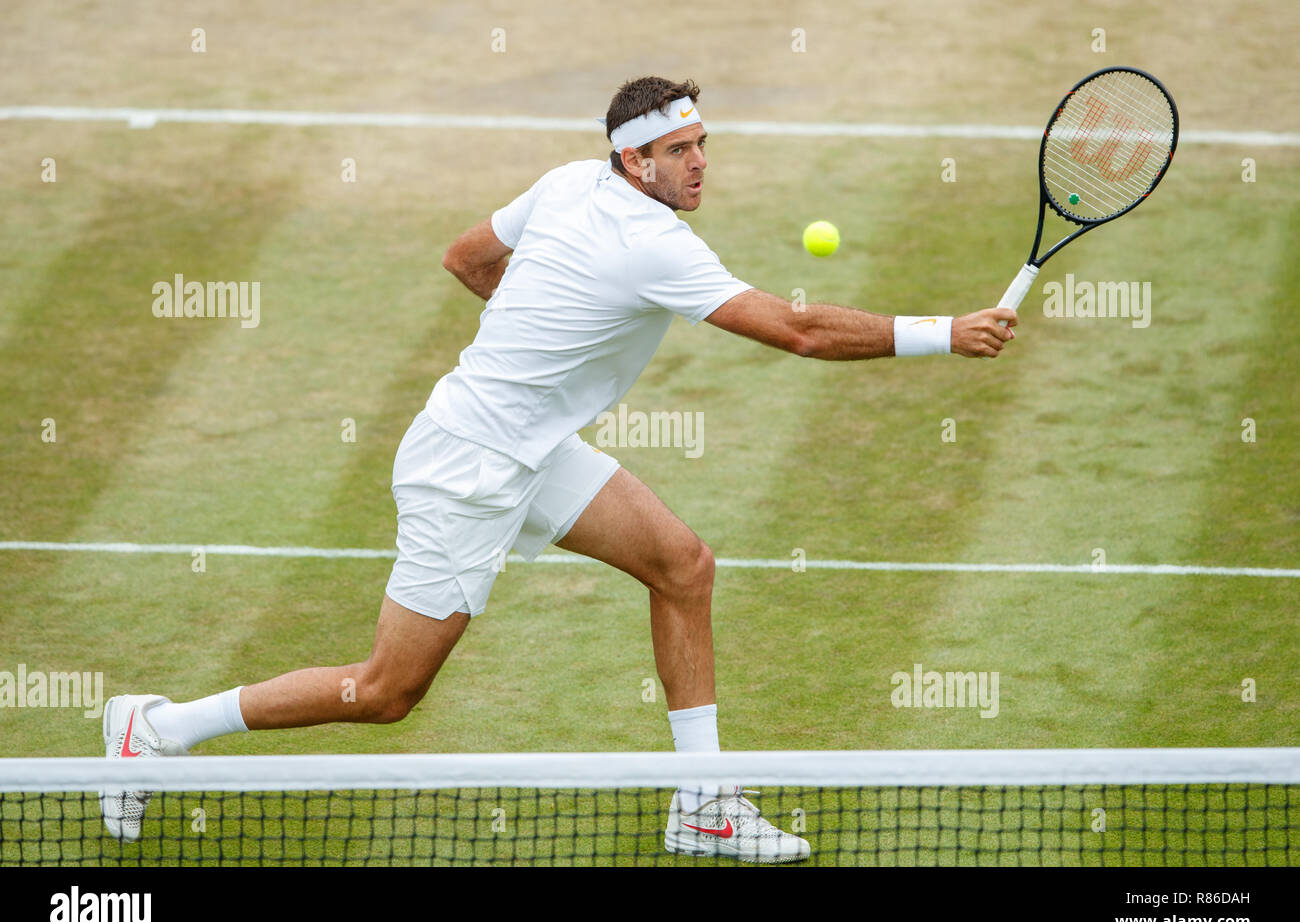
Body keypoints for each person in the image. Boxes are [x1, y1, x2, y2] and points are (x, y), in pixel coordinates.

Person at [99, 76, 1016, 863]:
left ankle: (702, 805)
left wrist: (537, 330)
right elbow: (798, 329)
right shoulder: (655, 245)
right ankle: (160, 729)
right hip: (469, 469)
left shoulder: (567, 181)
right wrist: (947, 333)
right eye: (677, 151)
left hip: (527, 448)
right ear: (634, 163)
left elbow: (466, 257)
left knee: (681, 564)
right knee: (387, 693)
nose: (698, 164)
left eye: (703, 145)